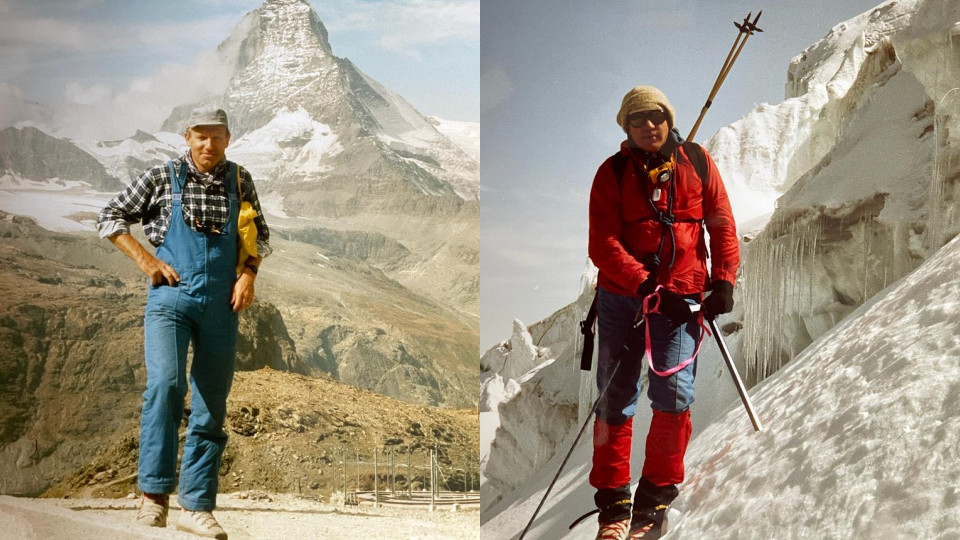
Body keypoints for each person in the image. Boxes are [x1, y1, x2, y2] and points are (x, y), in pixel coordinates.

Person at [96, 107, 271, 540]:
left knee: (212, 402)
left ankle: (196, 506)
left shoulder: (240, 179)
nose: (209, 146)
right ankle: (153, 496)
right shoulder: (162, 176)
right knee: (166, 387)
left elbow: (261, 236)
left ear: (228, 138)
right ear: (187, 136)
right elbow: (109, 217)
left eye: (217, 137)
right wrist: (146, 260)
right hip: (171, 299)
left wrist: (248, 274)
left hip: (222, 305)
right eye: (201, 137)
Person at [587, 86, 739, 539]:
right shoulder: (611, 173)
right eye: (637, 120)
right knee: (615, 397)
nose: (648, 125)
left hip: (683, 296)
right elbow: (603, 244)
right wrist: (646, 284)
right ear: (626, 128)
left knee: (674, 394)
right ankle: (614, 507)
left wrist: (725, 278)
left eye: (656, 117)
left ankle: (654, 497)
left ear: (669, 120)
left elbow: (721, 221)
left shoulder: (697, 162)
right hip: (623, 297)